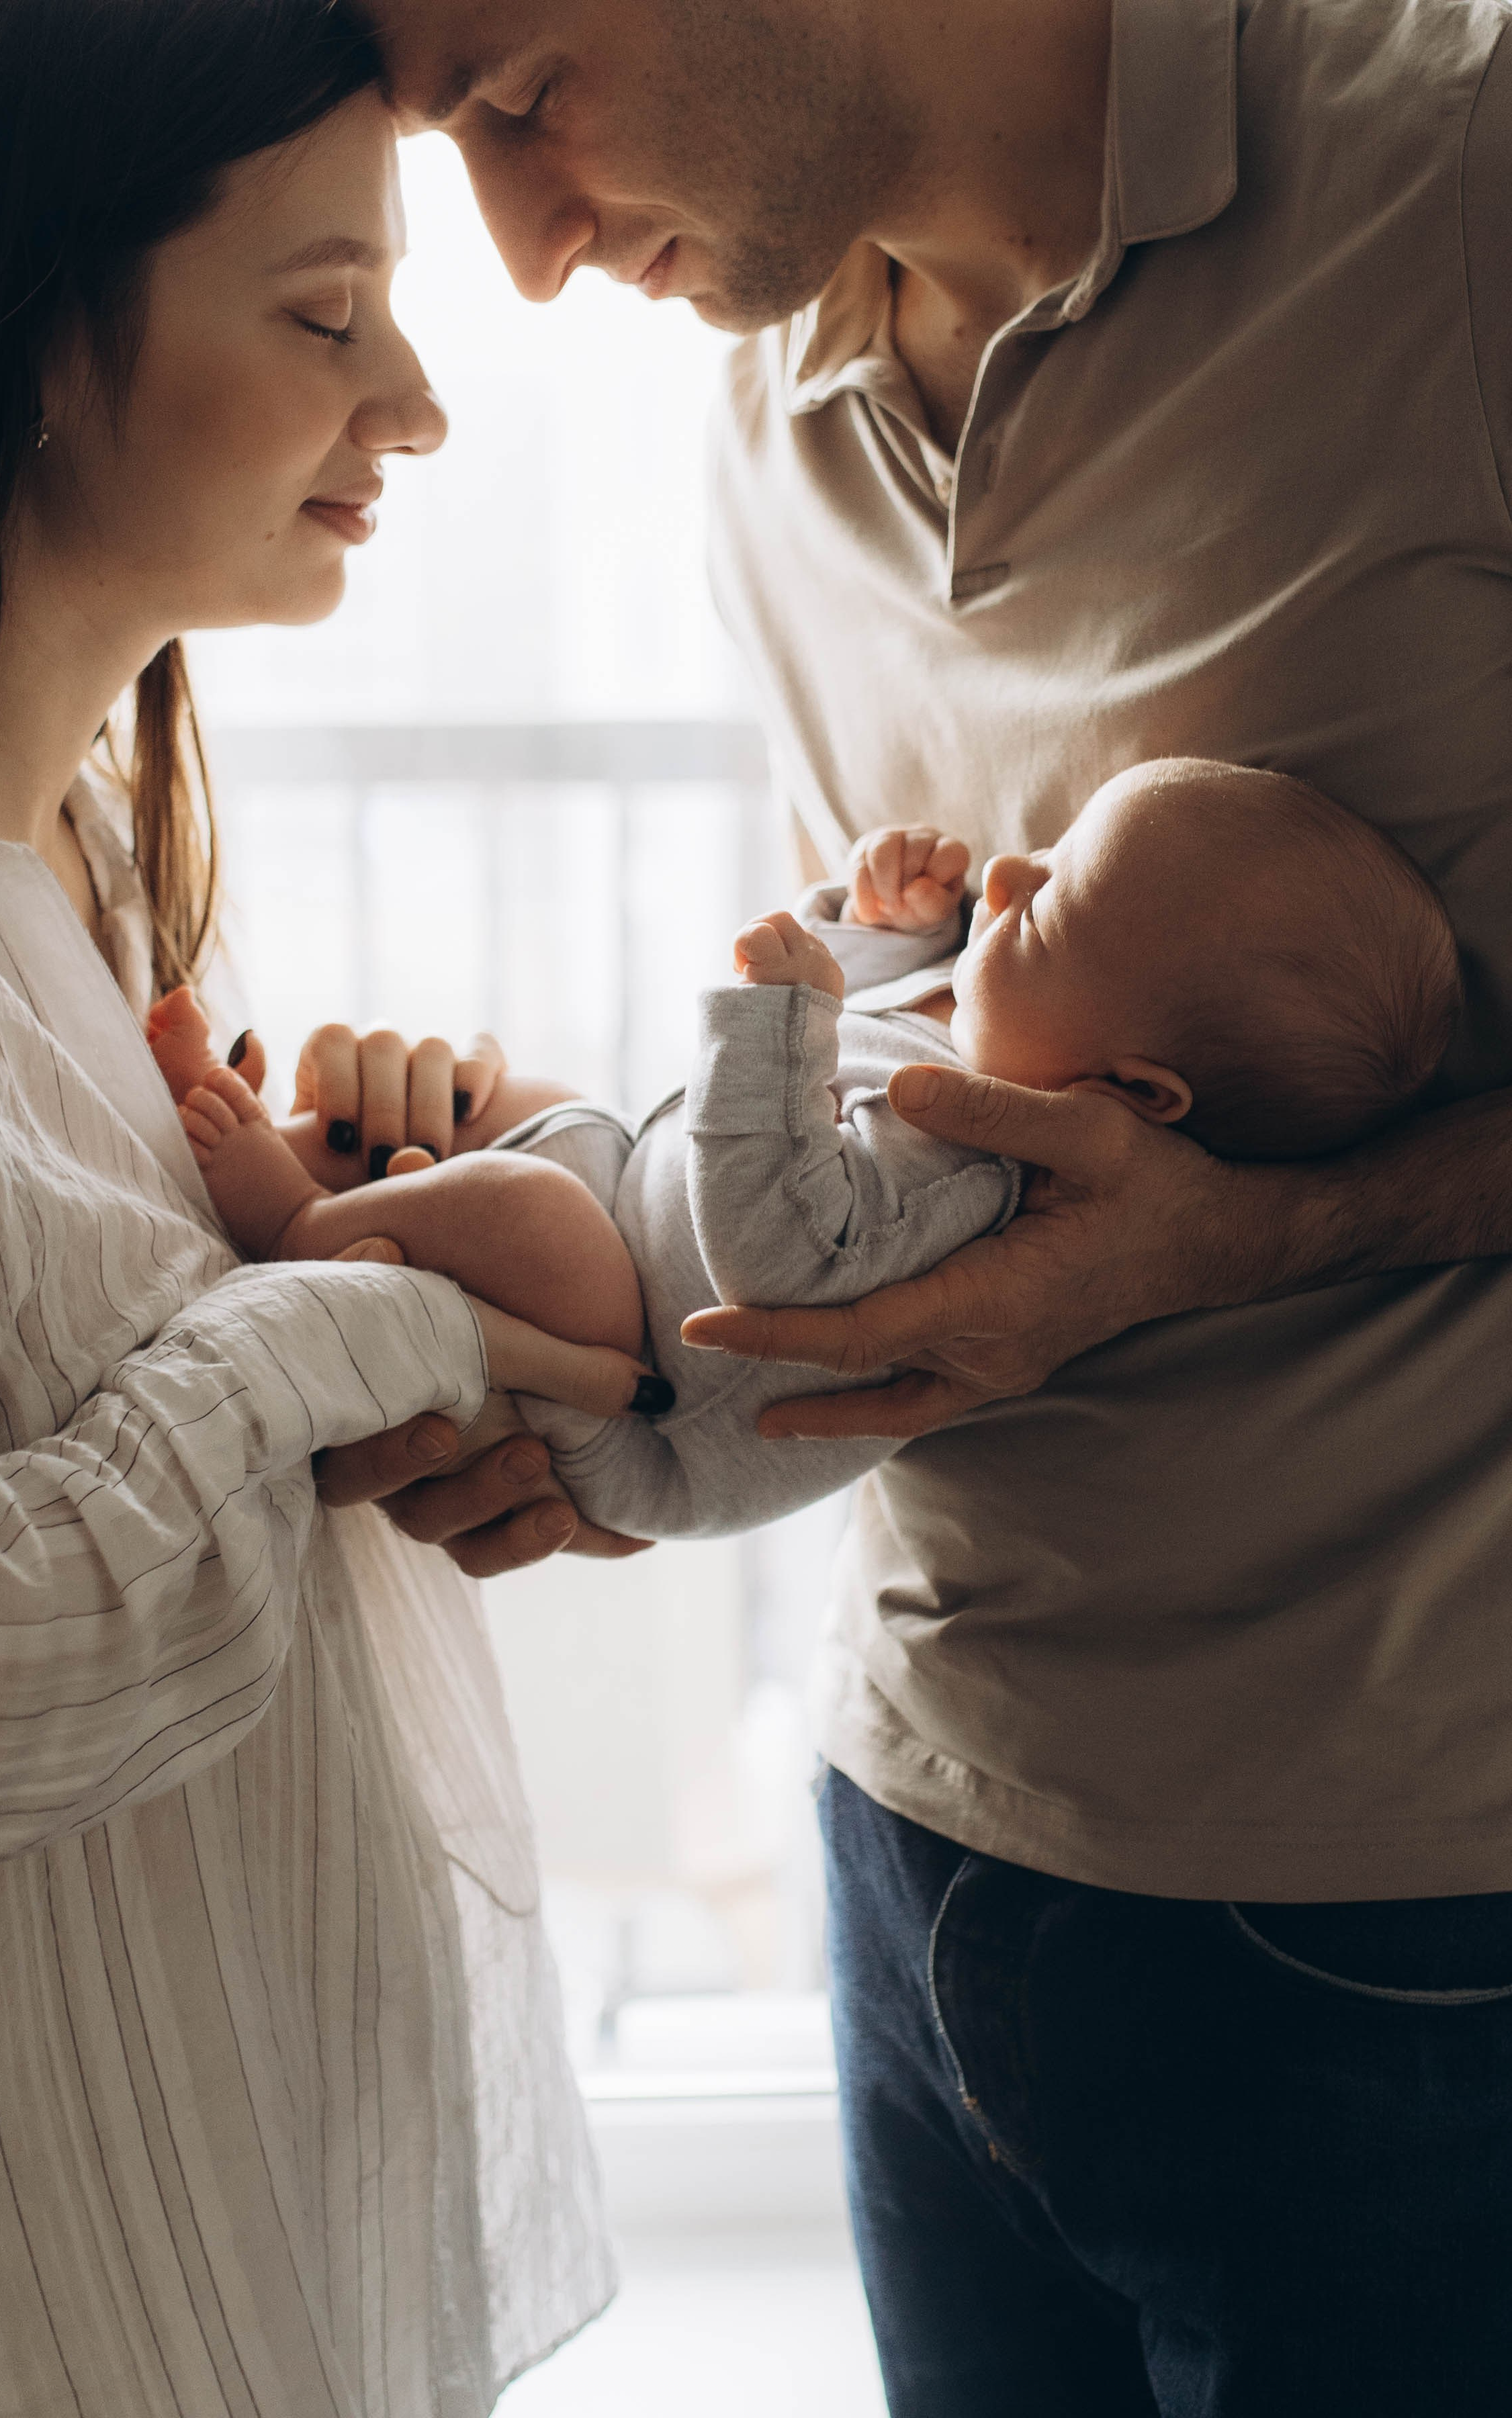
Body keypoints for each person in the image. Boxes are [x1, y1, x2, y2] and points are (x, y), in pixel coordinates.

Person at [370, 0, 1512, 2406]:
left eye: (514, 94)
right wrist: (626, 1338)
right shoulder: (763, 400)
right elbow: (912, 1066)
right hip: (906, 1842)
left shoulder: (1460, 175)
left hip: (1399, 1942)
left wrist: (1260, 1235)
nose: (530, 255)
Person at [0, 3, 657, 2407]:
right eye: (325, 315)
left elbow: (121, 1400)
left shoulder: (110, 875)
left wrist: (363, 1216)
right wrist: (379, 1333)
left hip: (236, 2190)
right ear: (23, 323)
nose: (418, 402)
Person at [150, 760, 1459, 1540]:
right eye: (1046, 853)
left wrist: (786, 1013)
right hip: (635, 1242)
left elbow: (774, 1253)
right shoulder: (1003, 1046)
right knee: (536, 1109)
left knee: (534, 1223)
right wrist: (877, 924)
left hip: (640, 1395)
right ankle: (317, 1154)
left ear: (1136, 1091)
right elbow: (869, 1024)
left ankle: (296, 1226)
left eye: (1046, 909)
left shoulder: (975, 1174)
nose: (1006, 874)